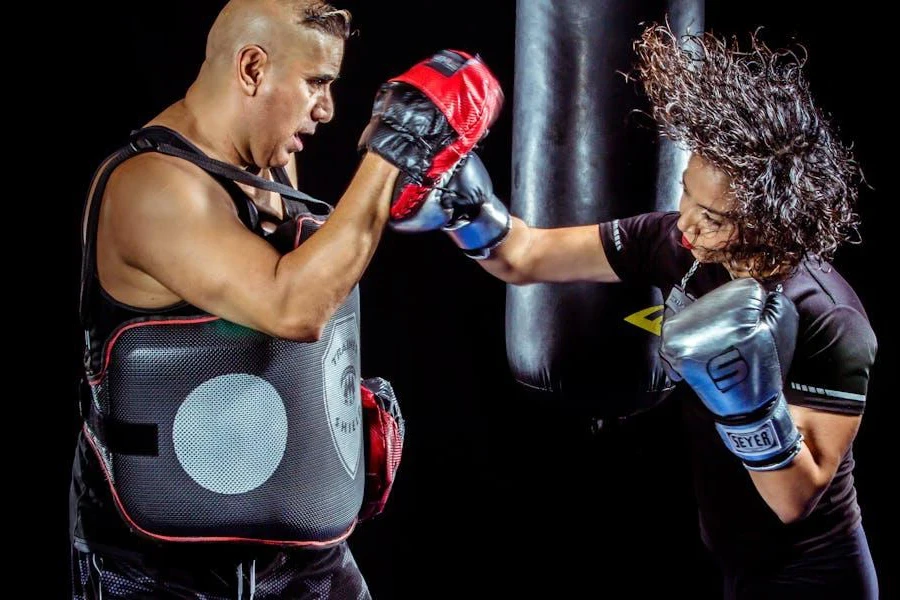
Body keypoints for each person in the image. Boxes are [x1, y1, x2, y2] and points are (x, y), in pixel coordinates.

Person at [404, 22, 879, 599]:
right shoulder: (674, 244)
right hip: (730, 559)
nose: (687, 222)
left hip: (817, 575)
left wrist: (749, 404)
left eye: (715, 217)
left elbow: (795, 501)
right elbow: (524, 257)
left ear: (770, 220)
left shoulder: (832, 319)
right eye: (686, 193)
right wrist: (466, 209)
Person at [71, 0, 502, 597]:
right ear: (252, 68)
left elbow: (308, 280)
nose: (327, 109)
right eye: (316, 83)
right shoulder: (156, 186)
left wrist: (411, 189)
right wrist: (392, 153)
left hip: (303, 562)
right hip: (165, 573)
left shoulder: (269, 161)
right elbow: (292, 308)